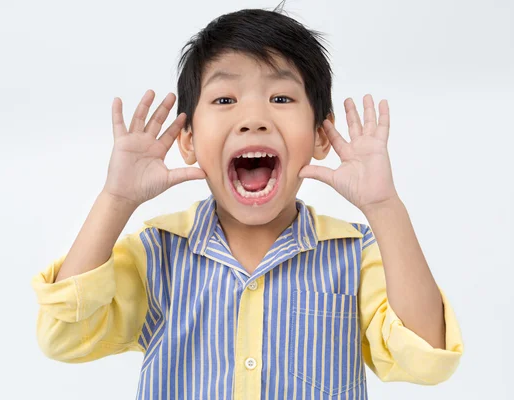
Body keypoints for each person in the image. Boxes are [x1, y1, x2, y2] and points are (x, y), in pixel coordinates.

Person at [30, 4, 464, 399]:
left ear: (319, 135)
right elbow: (63, 336)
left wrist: (384, 206)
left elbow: (426, 359)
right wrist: (116, 199)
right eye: (224, 100)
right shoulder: (157, 251)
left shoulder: (355, 253)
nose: (254, 120)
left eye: (280, 98)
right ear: (188, 140)